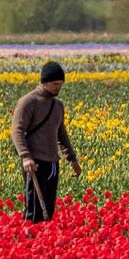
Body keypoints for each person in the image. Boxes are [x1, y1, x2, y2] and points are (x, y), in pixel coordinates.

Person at [10, 61, 81, 223]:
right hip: (35, 163)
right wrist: (25, 156)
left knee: (48, 209)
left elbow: (61, 134)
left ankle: (44, 241)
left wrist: (72, 159)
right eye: (55, 84)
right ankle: (30, 242)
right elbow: (17, 131)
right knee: (35, 209)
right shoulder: (28, 102)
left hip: (53, 162)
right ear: (44, 82)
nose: (58, 88)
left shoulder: (57, 105)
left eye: (61, 84)